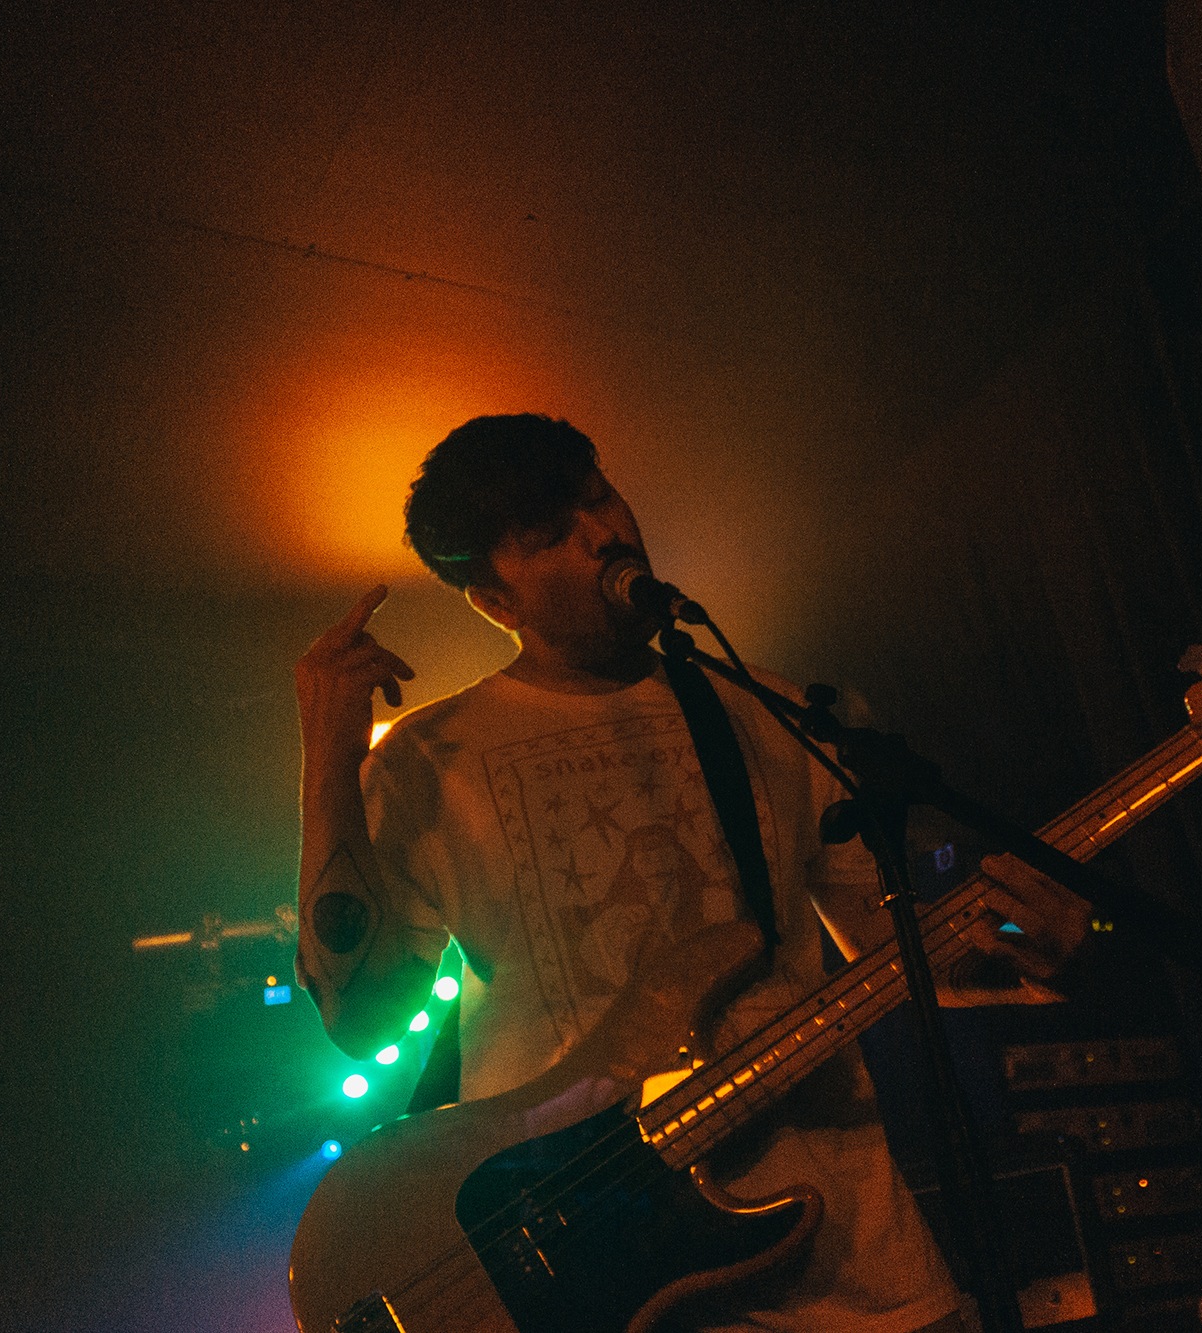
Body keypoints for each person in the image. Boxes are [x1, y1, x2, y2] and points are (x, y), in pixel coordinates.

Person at [293, 413, 1091, 1333]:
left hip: (856, 1260)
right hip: (605, 1277)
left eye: (599, 495)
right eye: (552, 533)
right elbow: (362, 1018)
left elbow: (887, 948)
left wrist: (1032, 957)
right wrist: (329, 759)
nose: (603, 533)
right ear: (495, 600)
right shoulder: (429, 762)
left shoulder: (775, 711)